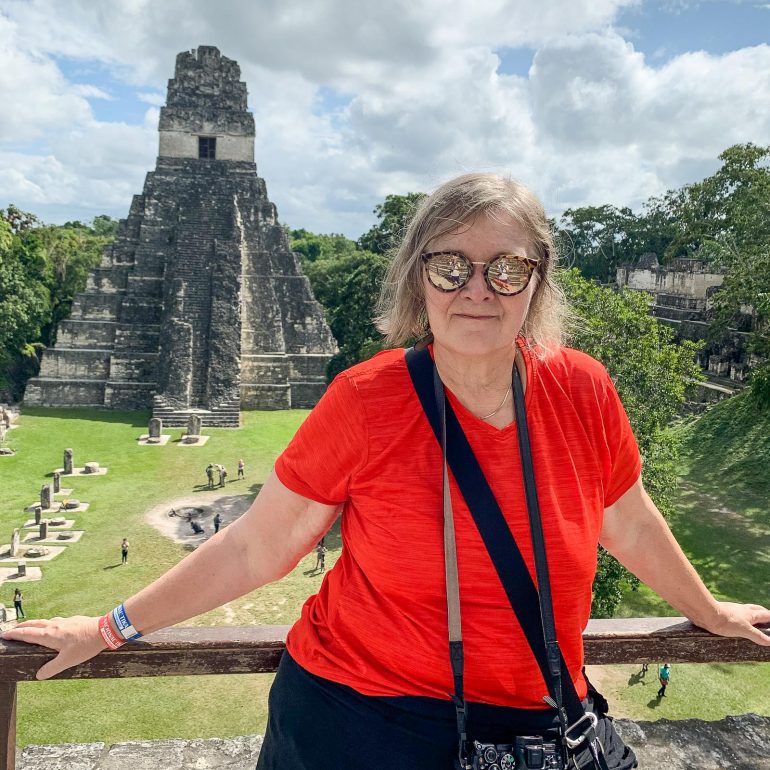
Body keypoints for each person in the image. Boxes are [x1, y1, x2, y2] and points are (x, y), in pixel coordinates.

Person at [3, 174, 770, 770]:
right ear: (416, 279)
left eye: (507, 267)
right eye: (450, 266)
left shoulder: (582, 389)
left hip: (535, 721)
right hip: (358, 722)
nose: (477, 289)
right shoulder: (366, 400)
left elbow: (626, 519)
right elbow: (253, 547)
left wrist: (709, 610)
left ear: (537, 280)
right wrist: (110, 628)